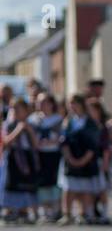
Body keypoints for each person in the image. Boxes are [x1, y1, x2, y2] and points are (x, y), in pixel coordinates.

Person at [58, 94, 101, 225]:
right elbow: (64, 142)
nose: (72, 106)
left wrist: (83, 160)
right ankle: (67, 214)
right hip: (70, 159)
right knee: (69, 188)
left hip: (86, 160)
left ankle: (84, 214)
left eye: (74, 103)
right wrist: (69, 158)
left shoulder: (90, 123)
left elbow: (93, 145)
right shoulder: (68, 122)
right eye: (70, 103)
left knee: (85, 188)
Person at [0, 99, 38, 224]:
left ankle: (24, 210)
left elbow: (36, 144)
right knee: (11, 185)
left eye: (19, 109)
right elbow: (5, 142)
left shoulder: (32, 123)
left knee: (25, 184)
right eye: (13, 109)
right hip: (13, 157)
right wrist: (18, 130)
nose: (15, 112)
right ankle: (10, 210)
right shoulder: (8, 124)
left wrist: (29, 130)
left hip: (27, 157)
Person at [32, 93, 63, 223]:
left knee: (54, 182)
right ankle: (44, 211)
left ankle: (56, 210)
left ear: (51, 103)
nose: (41, 105)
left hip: (54, 154)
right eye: (39, 102)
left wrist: (50, 142)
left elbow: (61, 137)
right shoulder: (33, 119)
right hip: (39, 155)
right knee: (42, 183)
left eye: (44, 102)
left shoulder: (58, 119)